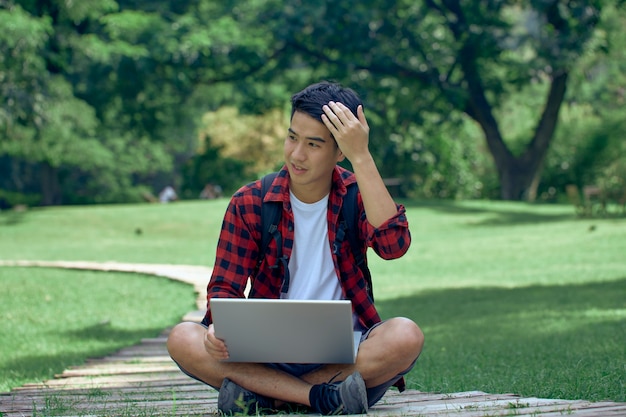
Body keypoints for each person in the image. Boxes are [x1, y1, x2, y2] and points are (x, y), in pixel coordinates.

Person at [167, 81, 424, 415]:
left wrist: (362, 155)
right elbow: (225, 288)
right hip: (264, 357)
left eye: (314, 144)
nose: (297, 155)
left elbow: (393, 246)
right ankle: (320, 399)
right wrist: (218, 329)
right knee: (183, 337)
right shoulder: (250, 202)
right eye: (292, 138)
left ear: (340, 151)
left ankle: (266, 398)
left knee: (405, 335)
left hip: (342, 359)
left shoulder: (358, 196)